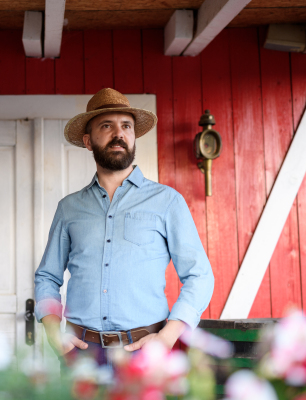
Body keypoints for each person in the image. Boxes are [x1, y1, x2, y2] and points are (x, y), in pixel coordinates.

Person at [34, 88, 214, 368]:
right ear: (88, 141)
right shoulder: (69, 208)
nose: (119, 133)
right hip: (81, 355)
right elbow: (47, 276)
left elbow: (199, 276)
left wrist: (167, 338)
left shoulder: (167, 202)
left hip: (145, 354)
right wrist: (53, 333)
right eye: (106, 125)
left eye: (126, 126)